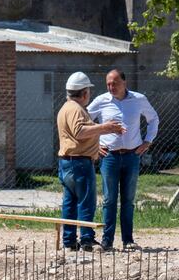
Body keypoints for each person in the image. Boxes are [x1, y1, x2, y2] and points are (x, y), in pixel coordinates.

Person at [87, 69, 159, 251]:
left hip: (132, 156)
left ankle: (128, 240)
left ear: (124, 83)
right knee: (110, 199)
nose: (111, 87)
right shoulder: (101, 101)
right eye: (108, 84)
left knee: (128, 199)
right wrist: (94, 144)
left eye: (115, 83)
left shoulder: (138, 99)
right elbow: (84, 121)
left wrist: (148, 141)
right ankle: (107, 240)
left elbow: (153, 118)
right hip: (109, 156)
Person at [56, 72, 125, 252]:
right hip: (79, 163)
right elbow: (79, 132)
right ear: (84, 93)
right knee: (86, 202)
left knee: (70, 203)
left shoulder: (66, 108)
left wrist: (100, 129)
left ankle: (69, 241)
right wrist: (106, 127)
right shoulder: (76, 109)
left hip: (68, 162)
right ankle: (86, 240)